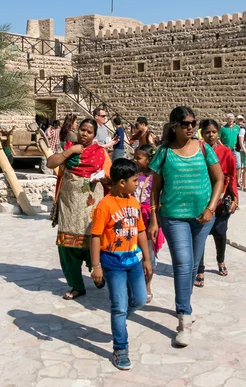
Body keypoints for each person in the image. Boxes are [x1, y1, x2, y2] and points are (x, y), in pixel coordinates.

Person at [148, 106, 224, 347]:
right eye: (185, 123)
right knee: (182, 263)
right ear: (174, 126)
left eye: (193, 123)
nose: (191, 127)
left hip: (203, 217)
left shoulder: (204, 149)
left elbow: (219, 179)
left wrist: (211, 208)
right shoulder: (163, 152)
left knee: (192, 265)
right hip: (174, 217)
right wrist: (153, 218)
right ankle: (184, 317)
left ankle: (184, 303)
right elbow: (155, 189)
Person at [90, 159, 152, 370]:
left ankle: (122, 316)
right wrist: (96, 265)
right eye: (135, 180)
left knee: (141, 299)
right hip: (112, 262)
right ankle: (120, 348)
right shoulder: (104, 206)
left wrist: (146, 258)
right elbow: (96, 236)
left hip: (133, 261)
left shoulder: (133, 202)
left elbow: (141, 231)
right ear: (121, 182)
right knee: (118, 307)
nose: (138, 183)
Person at [47, 118, 112, 300]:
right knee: (67, 246)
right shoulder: (69, 148)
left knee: (93, 242)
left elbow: (111, 179)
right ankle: (77, 285)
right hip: (69, 206)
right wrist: (70, 151)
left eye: (89, 132)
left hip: (91, 208)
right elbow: (50, 163)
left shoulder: (100, 153)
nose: (84, 134)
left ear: (94, 135)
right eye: (82, 130)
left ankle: (98, 274)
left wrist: (102, 179)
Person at [195, 119, 238, 288]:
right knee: (200, 235)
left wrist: (234, 198)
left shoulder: (226, 152)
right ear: (202, 133)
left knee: (220, 233)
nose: (210, 135)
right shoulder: (197, 151)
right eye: (207, 132)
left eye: (213, 132)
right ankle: (200, 269)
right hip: (200, 199)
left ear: (218, 133)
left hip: (220, 201)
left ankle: (221, 260)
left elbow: (232, 176)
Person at [133, 145, 165, 303]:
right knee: (132, 253)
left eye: (138, 158)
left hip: (148, 220)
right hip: (133, 219)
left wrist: (156, 220)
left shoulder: (155, 177)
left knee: (148, 255)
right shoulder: (133, 175)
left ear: (149, 159)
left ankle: (147, 286)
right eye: (135, 157)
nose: (135, 160)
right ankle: (132, 285)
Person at [219, 113, 241, 184]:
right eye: (229, 119)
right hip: (226, 150)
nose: (230, 121)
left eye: (232, 120)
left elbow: (241, 137)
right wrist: (222, 146)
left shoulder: (237, 128)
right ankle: (226, 180)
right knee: (226, 165)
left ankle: (237, 181)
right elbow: (218, 138)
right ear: (227, 120)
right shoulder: (223, 128)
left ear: (234, 120)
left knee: (238, 165)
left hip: (235, 149)